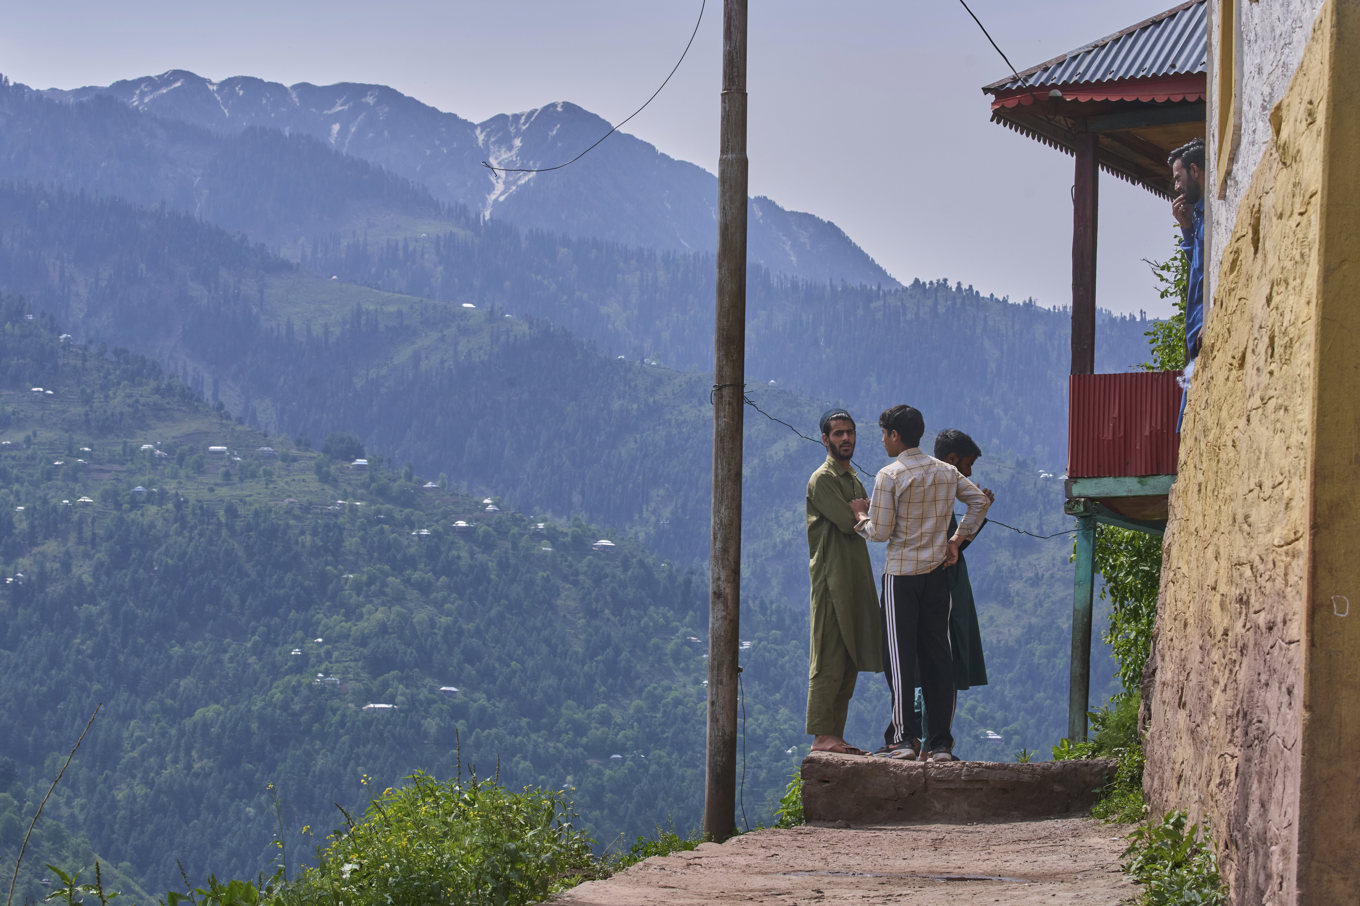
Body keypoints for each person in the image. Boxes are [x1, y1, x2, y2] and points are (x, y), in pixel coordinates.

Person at [850, 405, 990, 762]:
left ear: (895, 435)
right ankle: (940, 743)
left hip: (901, 578)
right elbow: (978, 502)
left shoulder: (890, 475)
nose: (882, 441)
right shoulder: (945, 471)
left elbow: (880, 533)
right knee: (938, 657)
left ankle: (903, 739)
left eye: (884, 434)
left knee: (900, 659)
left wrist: (861, 515)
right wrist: (955, 540)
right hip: (937, 576)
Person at [908, 429, 995, 749]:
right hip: (943, 593)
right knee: (943, 667)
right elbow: (948, 552)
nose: (969, 474)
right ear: (953, 460)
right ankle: (933, 741)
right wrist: (979, 512)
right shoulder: (940, 492)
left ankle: (916, 739)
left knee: (924, 669)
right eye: (967, 465)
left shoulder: (927, 487)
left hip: (922, 590)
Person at [804, 408, 883, 756]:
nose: (846, 438)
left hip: (855, 579)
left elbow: (867, 517)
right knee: (829, 655)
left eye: (849, 432)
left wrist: (861, 510)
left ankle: (835, 734)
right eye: (838, 433)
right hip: (831, 580)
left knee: (849, 657)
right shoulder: (823, 479)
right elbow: (848, 521)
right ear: (825, 439)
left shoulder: (853, 478)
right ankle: (822, 734)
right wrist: (860, 510)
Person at [1169, 138, 1205, 431]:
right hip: (1195, 342)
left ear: (1194, 171)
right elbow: (1198, 265)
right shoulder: (1200, 219)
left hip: (1202, 335)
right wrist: (1186, 229)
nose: (1176, 187)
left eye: (1178, 178)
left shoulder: (1212, 216)